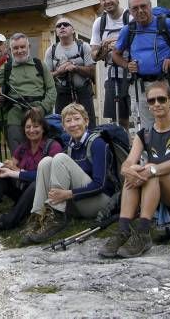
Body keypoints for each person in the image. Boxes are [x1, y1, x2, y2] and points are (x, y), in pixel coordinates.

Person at [99, 81, 170, 258]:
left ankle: (143, 232)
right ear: (148, 105)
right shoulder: (144, 134)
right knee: (135, 169)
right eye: (151, 101)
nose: (157, 104)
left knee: (150, 170)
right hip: (159, 189)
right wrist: (129, 171)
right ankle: (123, 230)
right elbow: (128, 162)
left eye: (161, 99)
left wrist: (150, 170)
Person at [24, 103, 116, 244]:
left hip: (101, 203)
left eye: (77, 119)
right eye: (68, 121)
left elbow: (100, 185)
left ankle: (56, 217)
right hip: (79, 202)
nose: (73, 124)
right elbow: (40, 174)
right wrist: (17, 173)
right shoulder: (70, 147)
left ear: (86, 121)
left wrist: (68, 194)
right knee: (46, 162)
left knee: (59, 158)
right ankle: (38, 215)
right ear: (64, 126)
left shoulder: (97, 143)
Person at [111, 0, 170, 132]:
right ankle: (149, 153)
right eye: (135, 8)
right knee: (146, 127)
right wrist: (127, 65)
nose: (140, 11)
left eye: (143, 6)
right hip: (141, 86)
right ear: (130, 11)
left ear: (150, 6)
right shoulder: (128, 30)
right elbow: (115, 54)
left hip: (166, 81)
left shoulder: (164, 23)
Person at [0, 33, 56, 152]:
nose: (19, 50)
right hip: (15, 115)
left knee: (41, 152)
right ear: (11, 50)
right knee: (18, 153)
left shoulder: (40, 65)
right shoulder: (7, 68)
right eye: (15, 48)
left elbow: (52, 90)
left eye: (22, 47)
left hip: (39, 112)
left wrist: (42, 108)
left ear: (29, 47)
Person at [90, 0, 131, 129]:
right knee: (118, 121)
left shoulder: (130, 17)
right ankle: (123, 149)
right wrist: (104, 48)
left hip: (133, 72)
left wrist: (118, 44)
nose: (107, 1)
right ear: (100, 2)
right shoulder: (99, 23)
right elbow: (94, 56)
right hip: (113, 75)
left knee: (140, 117)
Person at [44, 16, 96, 124]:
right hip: (61, 94)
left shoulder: (83, 47)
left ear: (73, 30)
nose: (62, 27)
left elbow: (92, 71)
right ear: (56, 32)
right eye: (58, 26)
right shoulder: (51, 51)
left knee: (88, 124)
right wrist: (59, 72)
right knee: (62, 126)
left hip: (83, 93)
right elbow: (46, 76)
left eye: (66, 24)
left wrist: (75, 68)